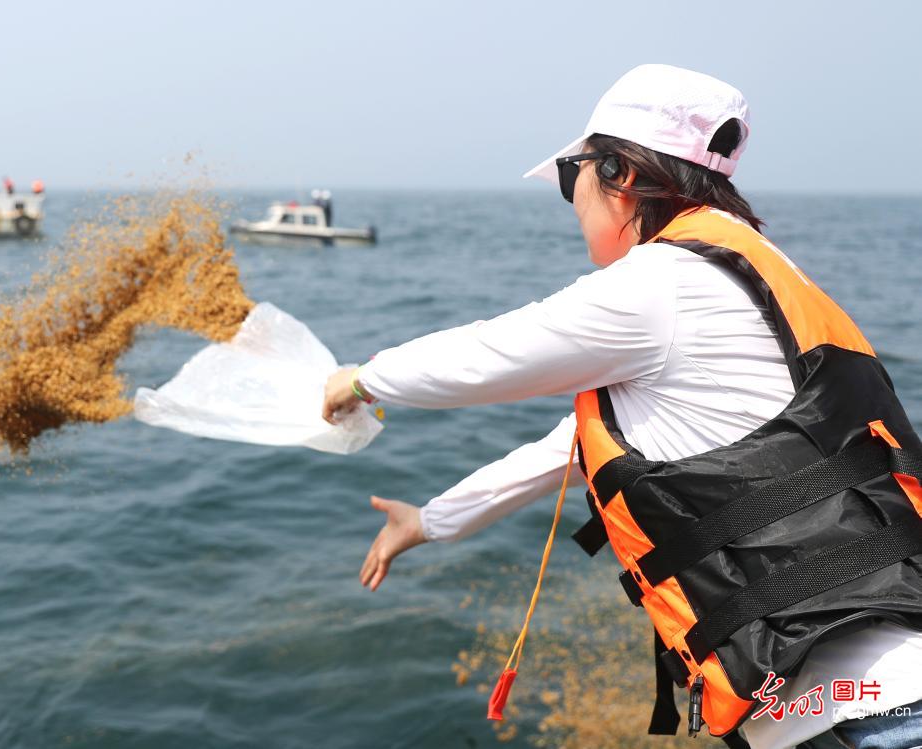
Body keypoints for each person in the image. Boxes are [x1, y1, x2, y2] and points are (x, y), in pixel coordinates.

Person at [322, 65, 922, 749]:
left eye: (569, 177)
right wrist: (427, 521)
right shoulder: (750, 272)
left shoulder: (664, 283)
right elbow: (564, 453)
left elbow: (491, 353)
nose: (570, 199)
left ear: (617, 171)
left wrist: (361, 379)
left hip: (870, 717)